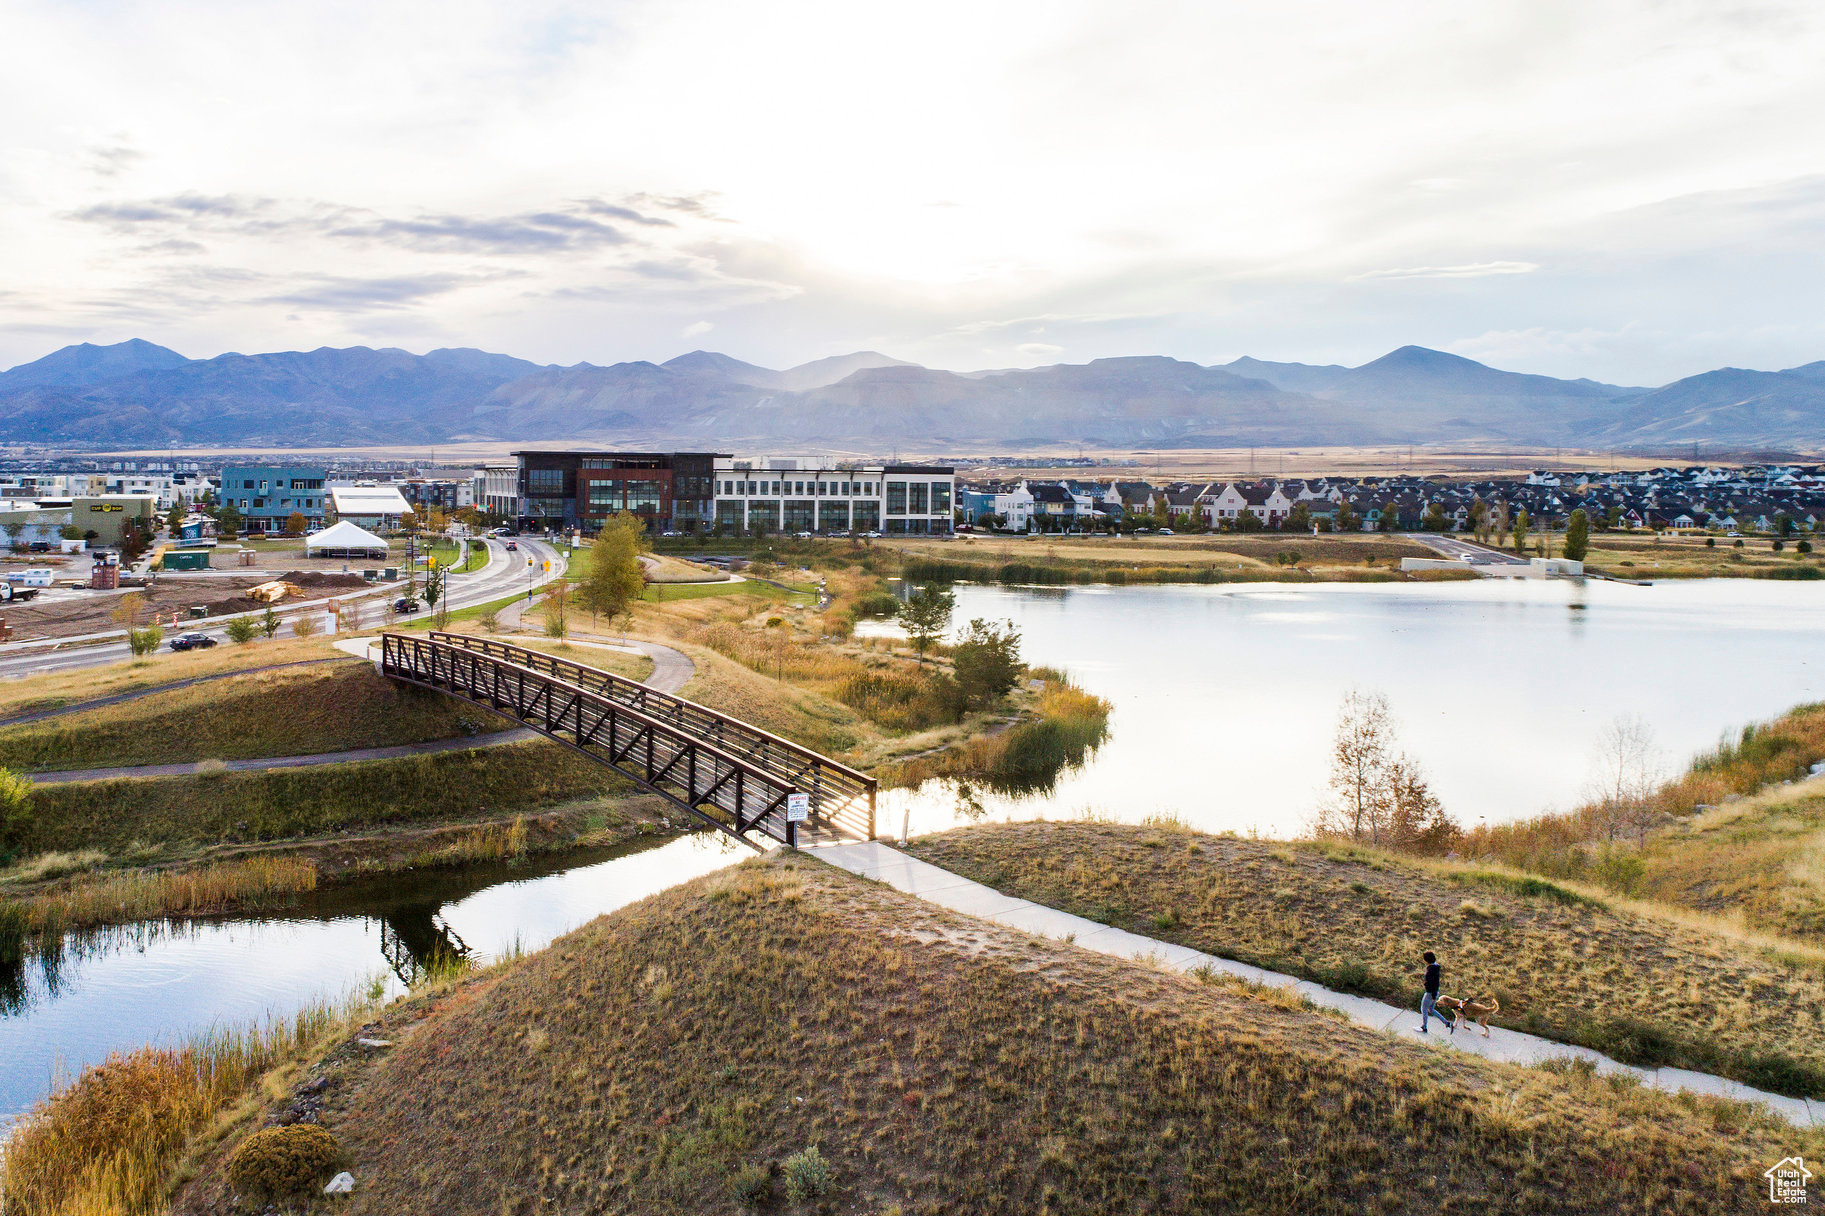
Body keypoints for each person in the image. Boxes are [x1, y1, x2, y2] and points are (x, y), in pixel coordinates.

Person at [1419, 950, 1455, 1034]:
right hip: (1435, 992)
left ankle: (1424, 1026)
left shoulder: (1430, 969)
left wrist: (1425, 984)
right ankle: (1447, 1023)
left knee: (1423, 1008)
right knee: (1431, 1009)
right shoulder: (1436, 967)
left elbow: (1430, 982)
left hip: (1430, 993)